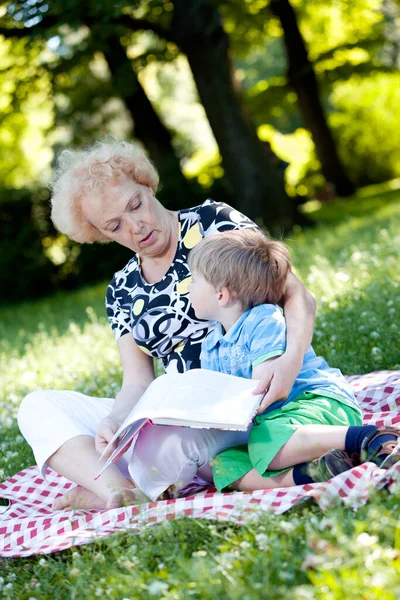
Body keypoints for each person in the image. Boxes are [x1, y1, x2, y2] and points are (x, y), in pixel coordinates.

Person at [17, 140, 316, 510]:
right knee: (37, 406)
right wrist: (115, 420)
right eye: (115, 226)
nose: (136, 226)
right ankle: (117, 491)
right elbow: (137, 383)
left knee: (167, 449)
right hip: (176, 410)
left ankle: (121, 484)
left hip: (247, 399)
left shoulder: (213, 223)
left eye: (135, 204)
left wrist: (291, 360)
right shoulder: (121, 289)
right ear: (99, 233)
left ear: (147, 184)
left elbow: (297, 296)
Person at [186, 229, 400, 492]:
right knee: (220, 465)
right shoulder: (211, 345)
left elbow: (261, 388)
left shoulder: (263, 320)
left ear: (221, 295)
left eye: (194, 281)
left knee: (266, 442)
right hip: (277, 424)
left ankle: (368, 436)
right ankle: (318, 470)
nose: (188, 287)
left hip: (315, 404)